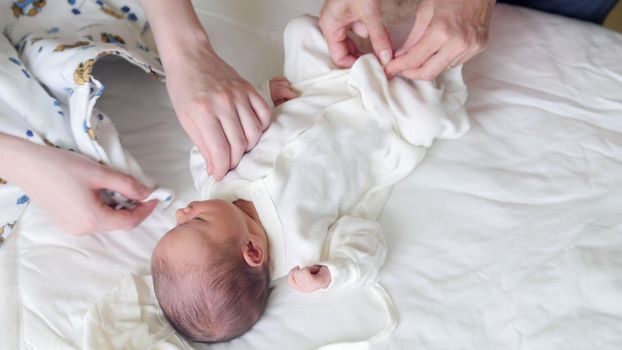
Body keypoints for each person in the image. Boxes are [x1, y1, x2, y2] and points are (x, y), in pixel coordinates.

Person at [151, 15, 470, 342]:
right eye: (195, 221)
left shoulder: (214, 182)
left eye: (176, 223)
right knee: (427, 117)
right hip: (381, 122)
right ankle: (424, 52)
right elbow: (366, 241)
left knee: (302, 31)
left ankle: (372, 46)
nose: (182, 211)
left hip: (319, 86)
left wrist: (264, 98)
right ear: (252, 251)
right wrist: (335, 272)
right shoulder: (303, 250)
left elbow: (224, 130)